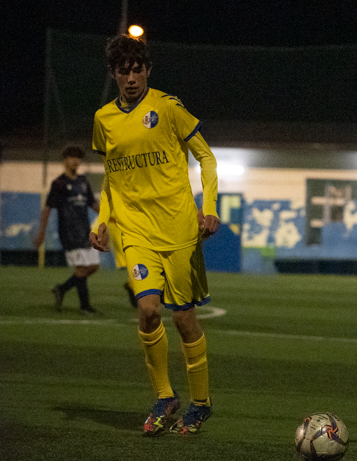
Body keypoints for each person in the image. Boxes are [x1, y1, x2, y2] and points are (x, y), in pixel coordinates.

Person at [90, 34, 220, 436]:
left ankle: (201, 403)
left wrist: (210, 207)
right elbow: (111, 177)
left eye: (137, 70)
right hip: (135, 231)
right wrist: (101, 220)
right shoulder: (103, 119)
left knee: (183, 319)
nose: (131, 78)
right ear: (113, 74)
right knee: (147, 310)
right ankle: (165, 396)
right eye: (123, 71)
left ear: (148, 70)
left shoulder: (168, 108)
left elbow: (206, 158)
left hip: (178, 229)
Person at [34, 146, 101, 315]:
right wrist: (41, 233)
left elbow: (93, 204)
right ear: (64, 160)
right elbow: (48, 208)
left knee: (93, 267)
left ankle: (62, 288)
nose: (75, 160)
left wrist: (111, 214)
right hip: (69, 233)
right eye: (71, 157)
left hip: (85, 231)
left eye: (78, 157)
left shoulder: (83, 181)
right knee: (81, 269)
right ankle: (85, 306)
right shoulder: (59, 183)